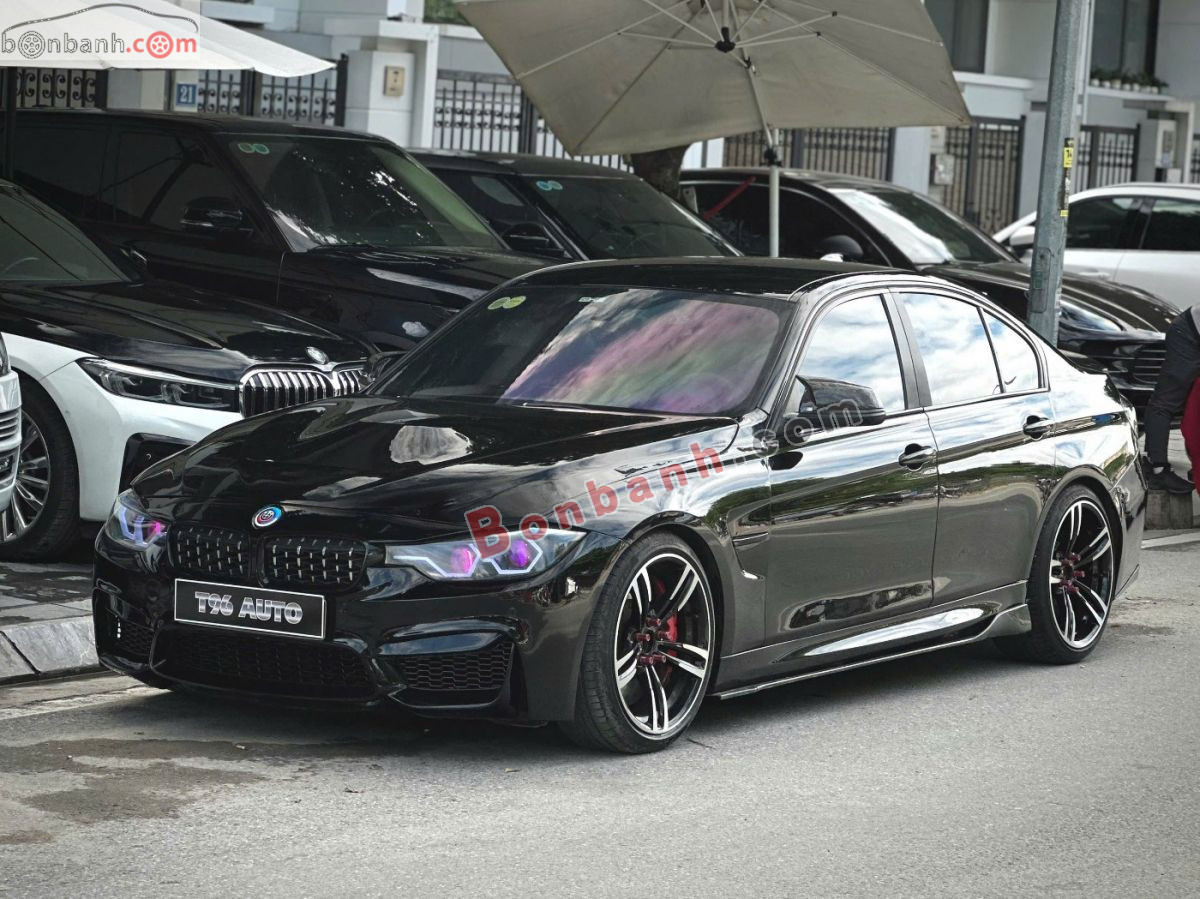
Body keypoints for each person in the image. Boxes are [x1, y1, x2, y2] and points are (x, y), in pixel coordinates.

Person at [1144, 307, 1200, 494]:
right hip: (1188, 334)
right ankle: (1158, 471)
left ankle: (1193, 467)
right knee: (1164, 403)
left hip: (1193, 329)